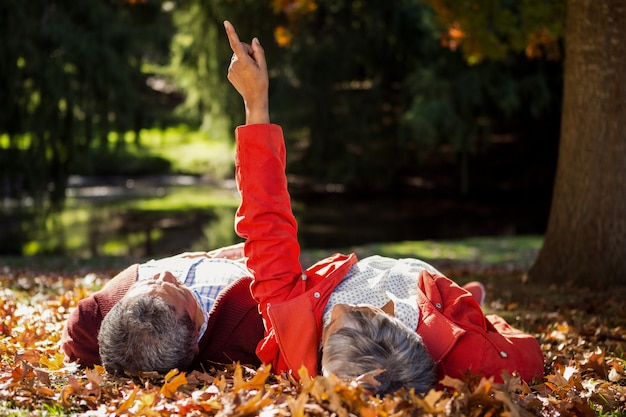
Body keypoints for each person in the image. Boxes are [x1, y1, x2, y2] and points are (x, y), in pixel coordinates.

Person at [222, 20, 544, 395]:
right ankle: (471, 296)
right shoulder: (472, 361)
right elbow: (524, 352)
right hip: (429, 292)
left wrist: (254, 101)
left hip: (386, 282)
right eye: (360, 313)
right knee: (467, 309)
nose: (338, 310)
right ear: (390, 318)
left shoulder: (293, 344)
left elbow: (267, 224)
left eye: (330, 331)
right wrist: (471, 317)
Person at [60, 244, 265, 374]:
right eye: (181, 290)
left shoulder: (87, 324)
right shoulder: (248, 329)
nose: (165, 273)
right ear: (193, 341)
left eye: (145, 283)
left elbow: (76, 345)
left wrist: (197, 258)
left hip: (211, 256)